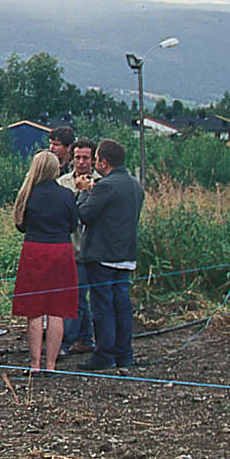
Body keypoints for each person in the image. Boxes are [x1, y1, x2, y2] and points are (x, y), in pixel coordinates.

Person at [77, 139, 145, 371]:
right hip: (126, 253)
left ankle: (104, 354)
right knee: (122, 305)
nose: (94, 163)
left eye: (95, 159)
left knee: (102, 307)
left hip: (102, 254)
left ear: (104, 162)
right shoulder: (135, 185)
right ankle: (124, 353)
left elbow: (85, 215)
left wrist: (85, 192)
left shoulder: (106, 185)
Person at [10, 151, 80, 375]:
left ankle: (35, 365)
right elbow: (72, 224)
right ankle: (51, 364)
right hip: (61, 250)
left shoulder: (27, 194)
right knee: (56, 309)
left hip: (35, 250)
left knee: (35, 310)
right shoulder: (67, 195)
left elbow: (20, 224)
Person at [58, 138, 99, 357]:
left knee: (80, 296)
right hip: (71, 247)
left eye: (85, 158)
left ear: (93, 160)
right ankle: (81, 338)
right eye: (77, 157)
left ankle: (73, 339)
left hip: (94, 248)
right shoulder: (63, 182)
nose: (81, 162)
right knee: (75, 296)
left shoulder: (101, 183)